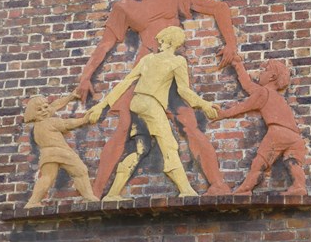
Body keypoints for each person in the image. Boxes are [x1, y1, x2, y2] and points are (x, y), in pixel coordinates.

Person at [78, 0, 237, 198]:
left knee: (188, 123)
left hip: (171, 67)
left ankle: (217, 184)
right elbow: (105, 44)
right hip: (145, 66)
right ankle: (95, 192)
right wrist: (85, 76)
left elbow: (218, 8)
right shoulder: (125, 7)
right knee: (123, 128)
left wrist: (231, 44)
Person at [89, 26, 219, 200]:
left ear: (168, 40)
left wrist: (102, 105)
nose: (159, 42)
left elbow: (126, 82)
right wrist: (204, 104)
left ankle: (112, 194)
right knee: (170, 145)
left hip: (137, 103)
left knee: (141, 148)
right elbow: (183, 91)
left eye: (162, 39)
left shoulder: (148, 59)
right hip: (151, 104)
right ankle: (186, 190)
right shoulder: (177, 61)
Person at [215, 56, 308, 195]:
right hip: (295, 137)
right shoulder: (277, 97)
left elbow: (244, 104)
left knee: (259, 162)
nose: (261, 73)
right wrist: (238, 64)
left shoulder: (263, 93)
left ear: (272, 76)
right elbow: (248, 85)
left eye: (265, 70)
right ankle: (299, 186)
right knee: (292, 161)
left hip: (278, 133)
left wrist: (224, 114)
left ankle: (245, 189)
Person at [23, 92, 99, 208]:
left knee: (47, 177)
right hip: (61, 151)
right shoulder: (49, 121)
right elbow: (67, 124)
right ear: (33, 114)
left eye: (45, 107)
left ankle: (33, 202)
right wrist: (84, 120)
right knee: (80, 171)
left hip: (46, 154)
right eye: (39, 110)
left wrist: (70, 97)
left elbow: (55, 105)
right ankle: (88, 196)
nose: (44, 110)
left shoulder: (38, 126)